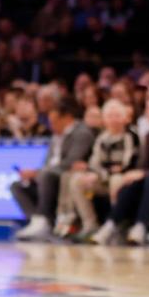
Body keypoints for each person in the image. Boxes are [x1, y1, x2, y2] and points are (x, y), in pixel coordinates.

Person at [92, 92, 149, 245]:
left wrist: (142, 173)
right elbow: (143, 165)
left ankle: (141, 226)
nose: (147, 112)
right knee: (133, 183)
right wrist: (132, 175)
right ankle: (110, 225)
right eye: (147, 108)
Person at [11, 97, 95, 240]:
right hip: (48, 177)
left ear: (67, 117)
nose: (51, 125)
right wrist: (34, 174)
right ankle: (36, 221)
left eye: (54, 121)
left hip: (64, 177)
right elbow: (47, 163)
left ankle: (45, 221)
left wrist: (38, 173)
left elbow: (72, 162)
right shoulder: (56, 136)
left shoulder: (82, 133)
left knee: (46, 175)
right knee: (17, 186)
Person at [67, 99, 137, 240]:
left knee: (116, 180)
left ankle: (115, 224)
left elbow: (128, 164)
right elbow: (95, 163)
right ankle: (90, 224)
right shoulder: (102, 139)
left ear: (124, 118)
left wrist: (104, 174)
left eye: (117, 115)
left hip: (125, 179)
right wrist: (92, 174)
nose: (113, 120)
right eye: (110, 116)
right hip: (104, 178)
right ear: (104, 119)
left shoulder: (131, 136)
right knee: (77, 180)